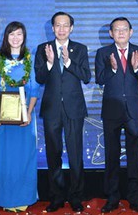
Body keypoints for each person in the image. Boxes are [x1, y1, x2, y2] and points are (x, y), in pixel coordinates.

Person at [35, 12, 91, 212]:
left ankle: (76, 196)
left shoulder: (80, 49)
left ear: (71, 28)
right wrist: (50, 63)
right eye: (57, 25)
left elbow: (86, 76)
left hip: (74, 109)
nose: (61, 29)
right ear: (52, 28)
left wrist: (68, 61)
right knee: (53, 154)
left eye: (65, 25)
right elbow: (40, 78)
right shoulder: (43, 49)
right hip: (51, 109)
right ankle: (56, 196)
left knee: (76, 154)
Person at [94, 17, 138, 213]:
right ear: (111, 33)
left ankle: (135, 199)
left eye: (124, 29)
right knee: (112, 156)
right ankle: (112, 198)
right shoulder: (103, 53)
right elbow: (99, 80)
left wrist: (135, 68)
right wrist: (113, 68)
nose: (120, 32)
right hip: (111, 110)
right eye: (116, 30)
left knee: (135, 157)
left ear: (131, 32)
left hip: (134, 110)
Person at [0, 21, 39, 211]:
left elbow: (34, 90)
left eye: (19, 34)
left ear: (24, 37)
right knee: (5, 158)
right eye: (12, 34)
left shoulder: (30, 58)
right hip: (3, 115)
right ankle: (6, 199)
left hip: (25, 116)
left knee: (24, 157)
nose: (15, 38)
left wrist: (27, 114)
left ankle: (23, 197)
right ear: (6, 37)